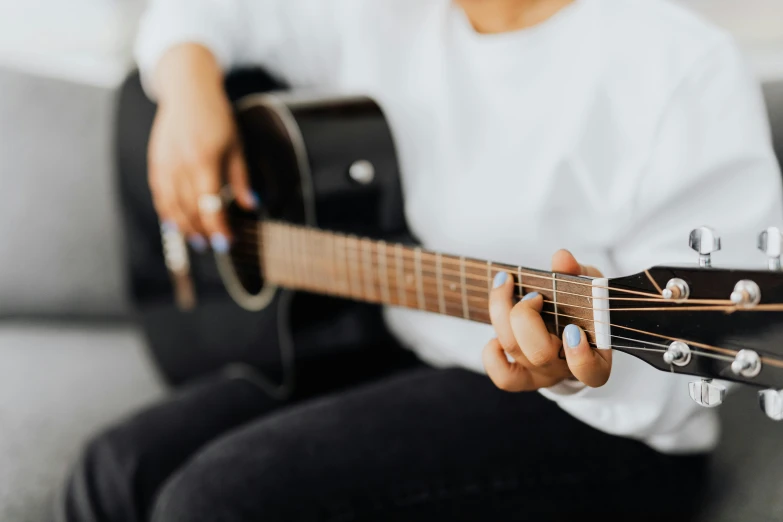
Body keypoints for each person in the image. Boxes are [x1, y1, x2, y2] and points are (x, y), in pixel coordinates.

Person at [61, 0, 782, 521]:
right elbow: (193, 16)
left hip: (606, 432)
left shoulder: (676, 63)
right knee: (116, 469)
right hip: (391, 344)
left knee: (213, 500)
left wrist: (574, 372)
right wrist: (188, 90)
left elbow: (696, 350)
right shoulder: (379, 15)